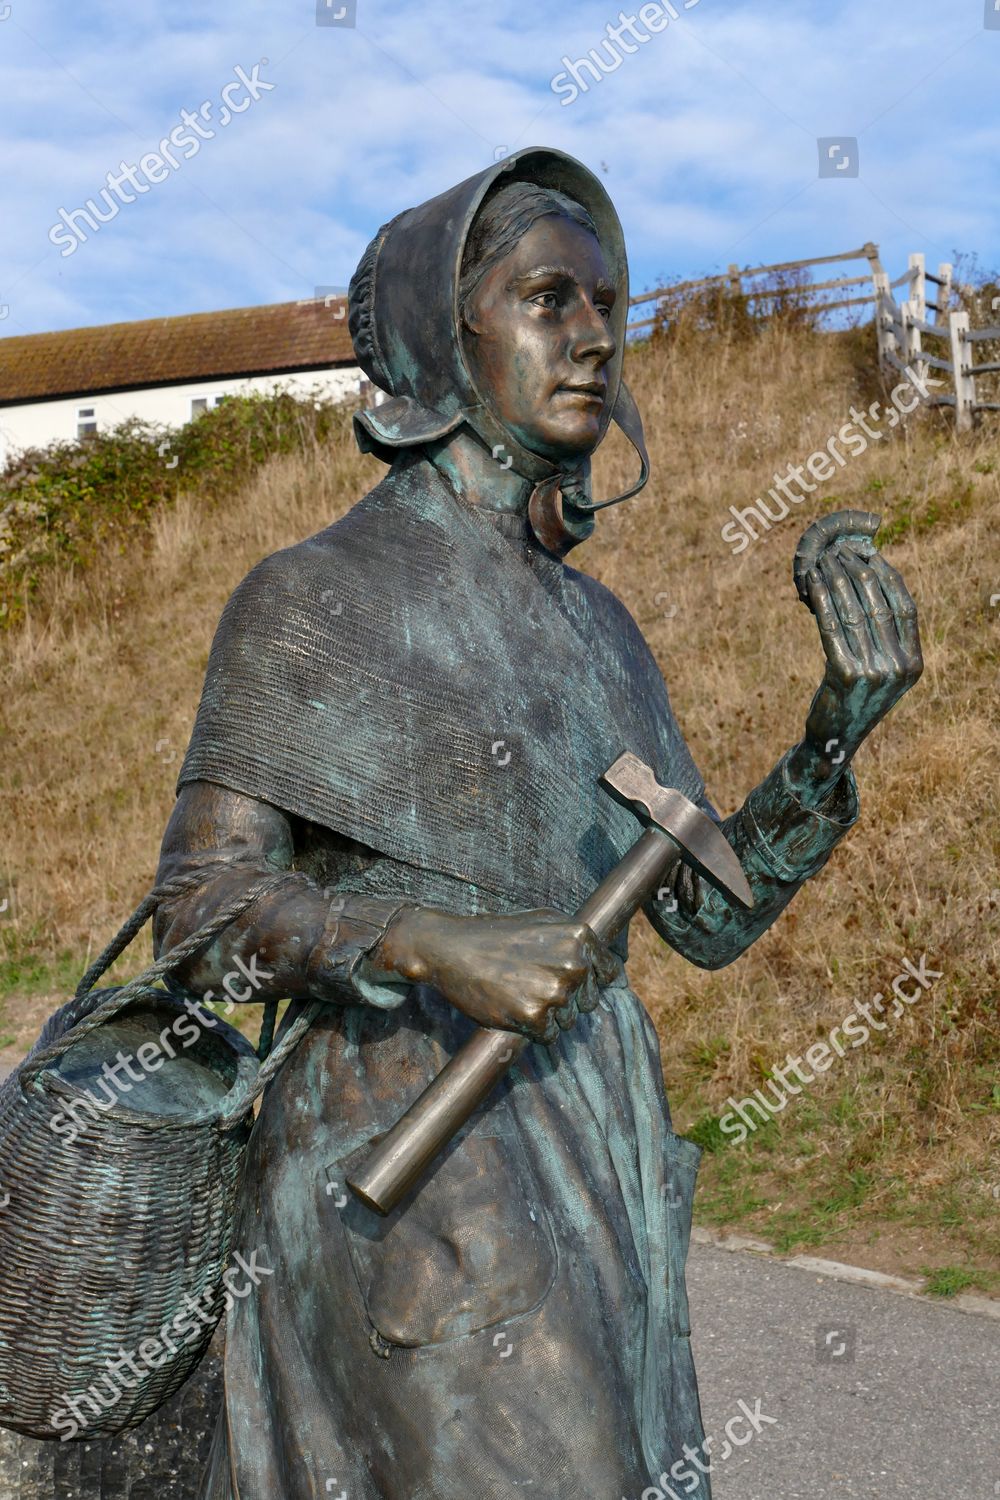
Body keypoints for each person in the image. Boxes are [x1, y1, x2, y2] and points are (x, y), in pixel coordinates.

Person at [152, 148, 922, 1499]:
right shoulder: (312, 598)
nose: (595, 339)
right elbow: (202, 918)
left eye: (609, 307)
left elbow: (707, 916)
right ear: (447, 339)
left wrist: (832, 735)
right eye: (549, 300)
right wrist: (421, 941)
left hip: (592, 1147)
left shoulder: (598, 630)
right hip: (405, 1150)